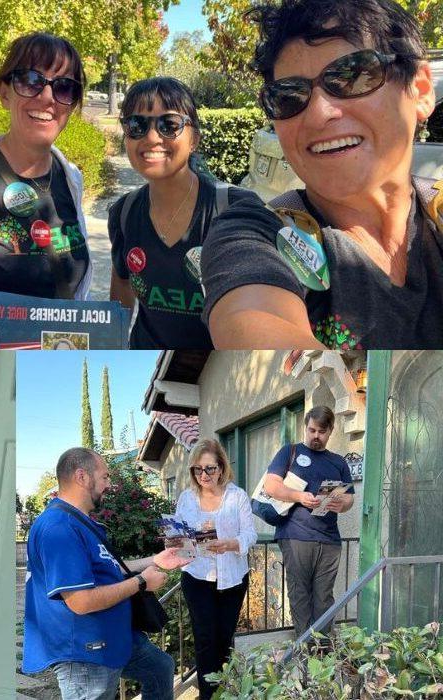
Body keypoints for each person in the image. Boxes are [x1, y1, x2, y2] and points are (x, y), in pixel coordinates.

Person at [202, 0, 442, 349]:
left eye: (351, 75)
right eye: (289, 95)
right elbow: (251, 320)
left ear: (419, 90)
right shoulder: (255, 235)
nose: (318, 114)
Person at [23, 447, 189, 700]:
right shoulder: (59, 528)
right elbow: (81, 601)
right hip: (84, 651)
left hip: (111, 636)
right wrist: (142, 582)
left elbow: (109, 566)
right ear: (82, 477)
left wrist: (154, 560)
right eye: (105, 477)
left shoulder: (81, 522)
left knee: (160, 667)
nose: (108, 484)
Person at [108, 78, 257, 349]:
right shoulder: (124, 214)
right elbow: (122, 281)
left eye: (169, 125)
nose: (152, 138)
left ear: (194, 140)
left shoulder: (236, 211)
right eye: (136, 125)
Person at [0, 33, 94, 301]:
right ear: (4, 93)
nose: (47, 97)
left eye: (64, 87)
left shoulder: (70, 177)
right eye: (31, 81)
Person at [262, 406, 355, 638]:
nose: (315, 435)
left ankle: (322, 650)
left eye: (321, 432)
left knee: (324, 595)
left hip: (329, 538)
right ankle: (305, 647)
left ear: (331, 431)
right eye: (312, 430)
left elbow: (350, 498)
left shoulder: (339, 462)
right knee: (299, 593)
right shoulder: (289, 452)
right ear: (306, 427)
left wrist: (340, 504)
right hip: (295, 534)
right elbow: (270, 486)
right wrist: (299, 496)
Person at [174, 439, 255, 699]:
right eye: (197, 470)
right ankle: (208, 695)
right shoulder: (187, 498)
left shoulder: (237, 496)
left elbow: (250, 533)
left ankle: (225, 691)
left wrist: (232, 543)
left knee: (224, 638)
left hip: (232, 579)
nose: (203, 475)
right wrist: (183, 543)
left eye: (209, 469)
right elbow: (177, 537)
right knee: (205, 638)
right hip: (197, 577)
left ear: (221, 468)